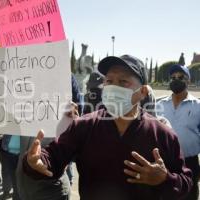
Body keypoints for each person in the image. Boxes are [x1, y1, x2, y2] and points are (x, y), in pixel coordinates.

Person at [23, 55, 193, 200]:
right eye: (109, 81)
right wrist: (36, 161)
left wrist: (164, 179)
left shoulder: (162, 134)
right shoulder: (84, 126)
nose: (113, 87)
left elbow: (185, 181)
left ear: (142, 91)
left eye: (123, 81)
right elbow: (53, 158)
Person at [157, 64, 200, 200]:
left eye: (181, 77)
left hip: (190, 163)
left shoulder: (198, 106)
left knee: (189, 196)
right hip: (164, 162)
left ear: (189, 81)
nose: (176, 80)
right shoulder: (159, 104)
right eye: (173, 77)